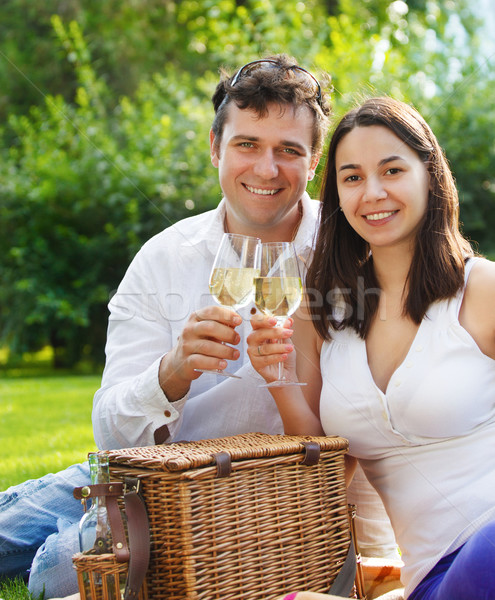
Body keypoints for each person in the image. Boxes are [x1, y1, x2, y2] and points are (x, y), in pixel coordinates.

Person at [0, 58, 397, 598]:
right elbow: (111, 432)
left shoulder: (352, 254)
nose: (266, 168)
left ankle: (72, 527)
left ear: (313, 162)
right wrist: (171, 372)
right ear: (215, 148)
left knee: (52, 570)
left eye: (288, 150)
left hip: (243, 504)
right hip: (146, 480)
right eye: (247, 144)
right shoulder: (163, 259)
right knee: (10, 532)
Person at [247, 96, 495, 600]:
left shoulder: (481, 292)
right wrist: (278, 380)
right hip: (435, 579)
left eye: (392, 170)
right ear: (336, 194)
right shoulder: (318, 315)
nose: (373, 192)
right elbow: (326, 471)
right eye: (353, 177)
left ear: (429, 175)